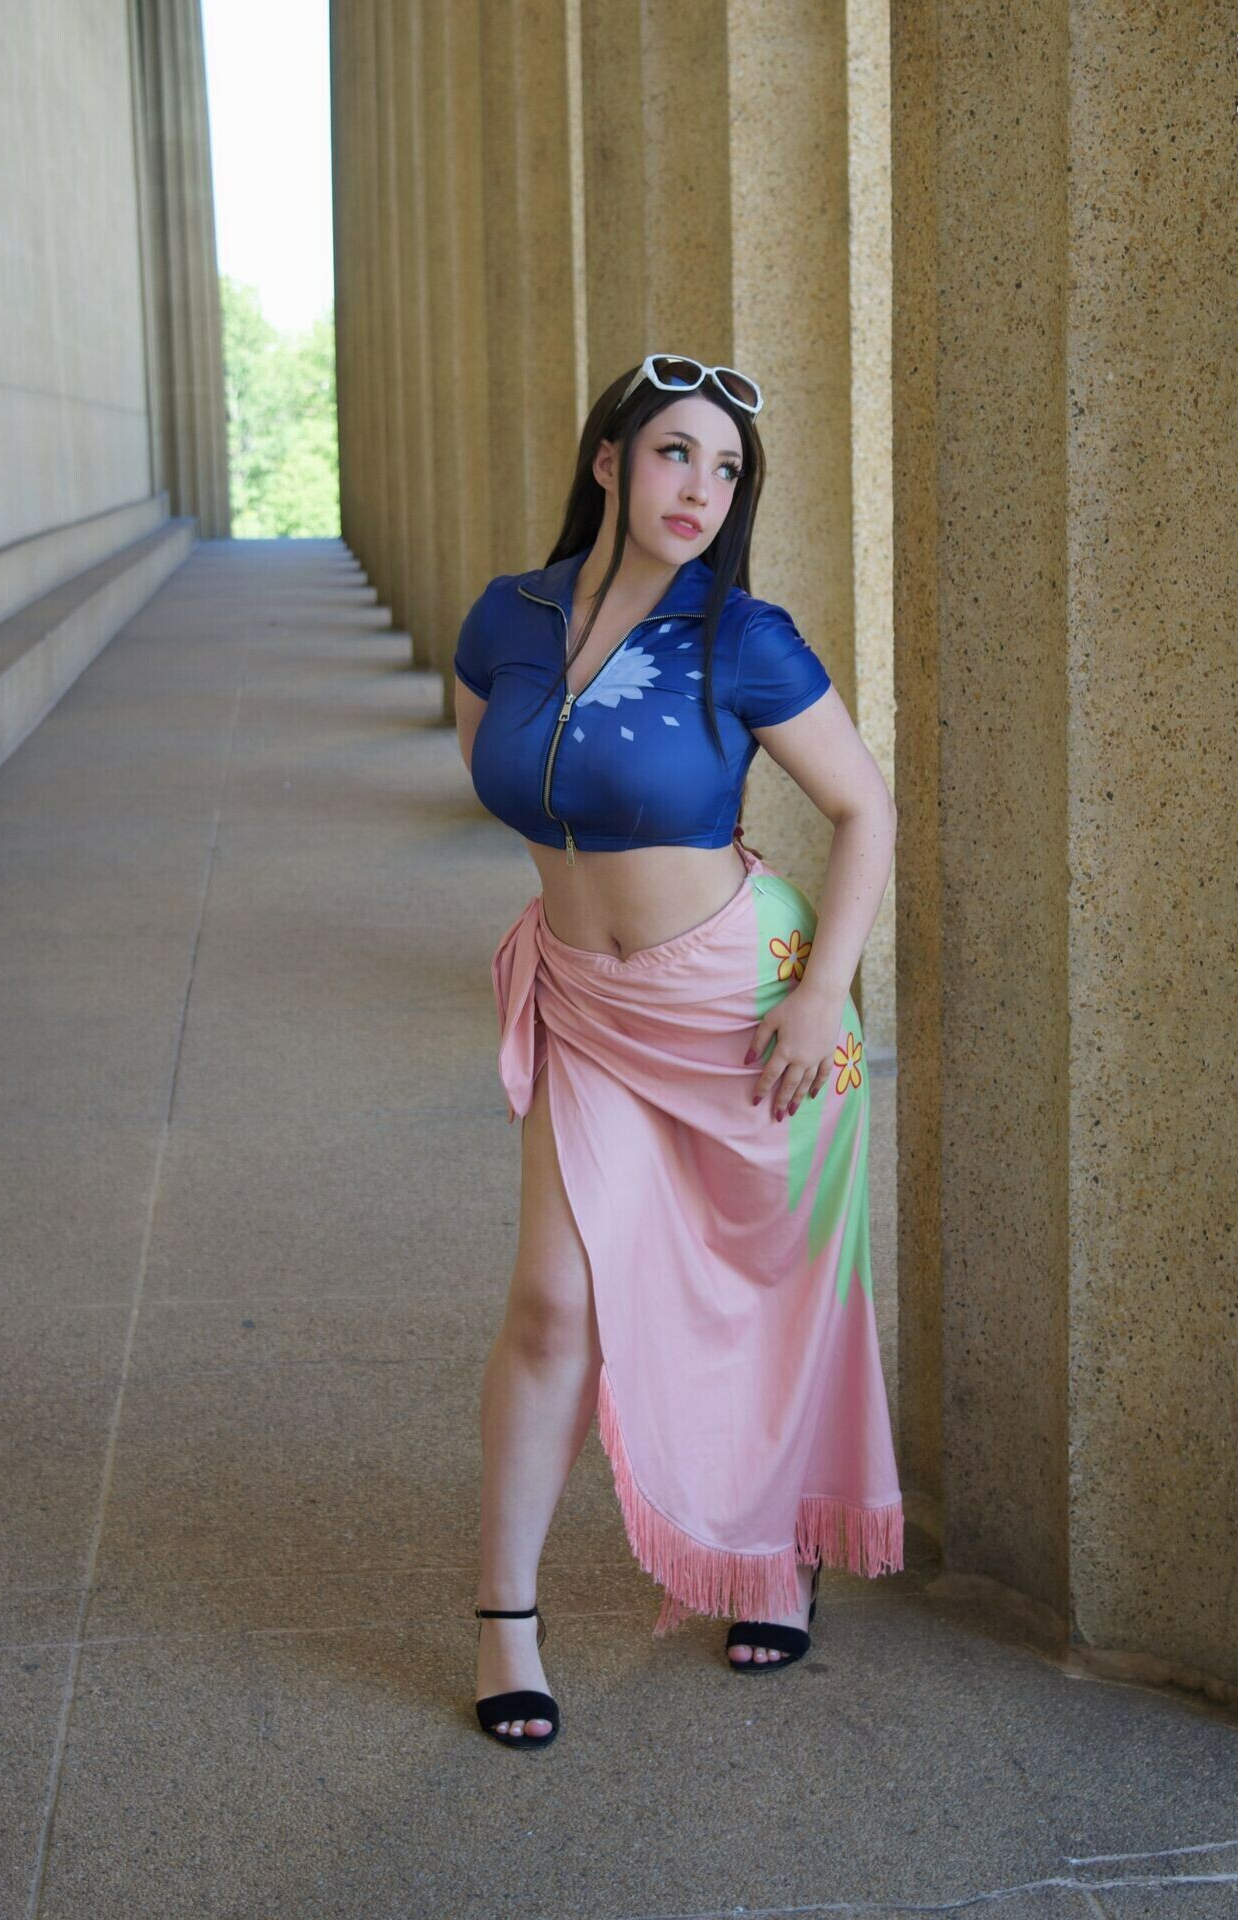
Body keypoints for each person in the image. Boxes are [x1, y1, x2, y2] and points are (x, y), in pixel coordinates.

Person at [452, 355, 904, 1751]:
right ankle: (505, 1619)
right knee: (552, 1303)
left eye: (727, 469)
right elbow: (501, 773)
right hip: (590, 1008)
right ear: (608, 461)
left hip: (749, 1006)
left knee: (776, 1294)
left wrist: (823, 992)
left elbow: (868, 811)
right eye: (674, 454)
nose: (701, 488)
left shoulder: (743, 635)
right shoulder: (507, 619)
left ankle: (780, 1552)